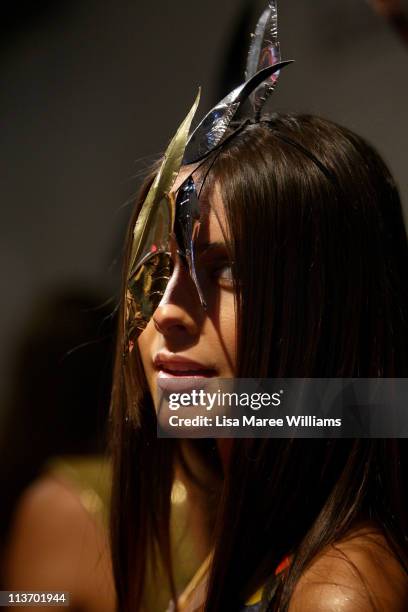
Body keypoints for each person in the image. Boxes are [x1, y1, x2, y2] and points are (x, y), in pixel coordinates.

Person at [109, 4, 408, 611]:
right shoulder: (251, 538)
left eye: (229, 270)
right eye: (158, 266)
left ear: (329, 305)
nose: (166, 311)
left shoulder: (340, 592)